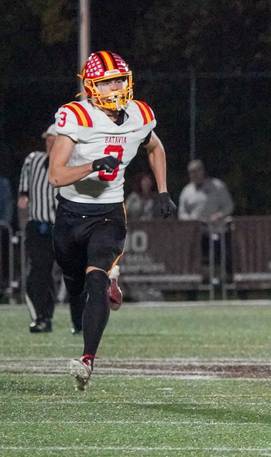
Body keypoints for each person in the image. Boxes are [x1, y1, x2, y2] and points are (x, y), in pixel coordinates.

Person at [48, 50, 177, 391]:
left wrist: (163, 190)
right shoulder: (76, 117)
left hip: (108, 213)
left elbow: (155, 147)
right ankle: (109, 280)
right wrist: (92, 165)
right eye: (106, 82)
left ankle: (87, 360)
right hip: (70, 214)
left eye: (119, 79)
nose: (115, 87)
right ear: (91, 87)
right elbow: (56, 175)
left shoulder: (139, 114)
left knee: (96, 284)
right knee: (74, 284)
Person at [18, 124, 62, 333]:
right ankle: (41, 317)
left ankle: (52, 317)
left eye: (53, 140)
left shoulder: (67, 162)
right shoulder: (33, 160)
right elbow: (24, 187)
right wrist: (24, 196)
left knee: (55, 274)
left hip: (60, 226)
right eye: (48, 140)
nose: (49, 143)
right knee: (38, 272)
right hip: (38, 226)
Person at [178, 160, 234, 225]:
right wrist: (191, 220)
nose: (194, 174)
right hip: (195, 230)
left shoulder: (218, 186)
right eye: (191, 172)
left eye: (196, 171)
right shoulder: (186, 191)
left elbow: (229, 206)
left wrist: (219, 215)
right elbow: (182, 214)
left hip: (215, 228)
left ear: (203, 171)